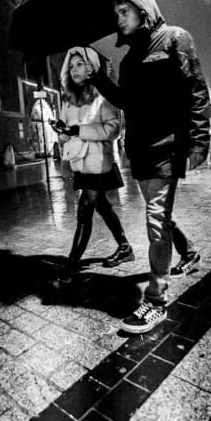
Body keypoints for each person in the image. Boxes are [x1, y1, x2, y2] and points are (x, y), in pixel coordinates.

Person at [89, 0, 210, 334]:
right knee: (160, 215)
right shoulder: (128, 60)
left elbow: (196, 91)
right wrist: (99, 78)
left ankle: (156, 301)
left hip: (167, 146)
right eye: (115, 16)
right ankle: (188, 252)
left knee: (156, 218)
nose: (118, 20)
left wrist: (198, 141)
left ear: (142, 8)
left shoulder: (175, 38)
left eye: (123, 12)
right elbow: (126, 101)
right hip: (139, 150)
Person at [52, 47, 134, 282]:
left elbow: (113, 128)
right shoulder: (68, 99)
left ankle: (71, 265)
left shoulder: (102, 94)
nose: (74, 69)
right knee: (102, 207)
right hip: (80, 161)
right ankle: (125, 247)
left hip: (99, 161)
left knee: (85, 209)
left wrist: (80, 130)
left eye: (79, 64)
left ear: (90, 66)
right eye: (71, 65)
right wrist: (63, 133)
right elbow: (66, 132)